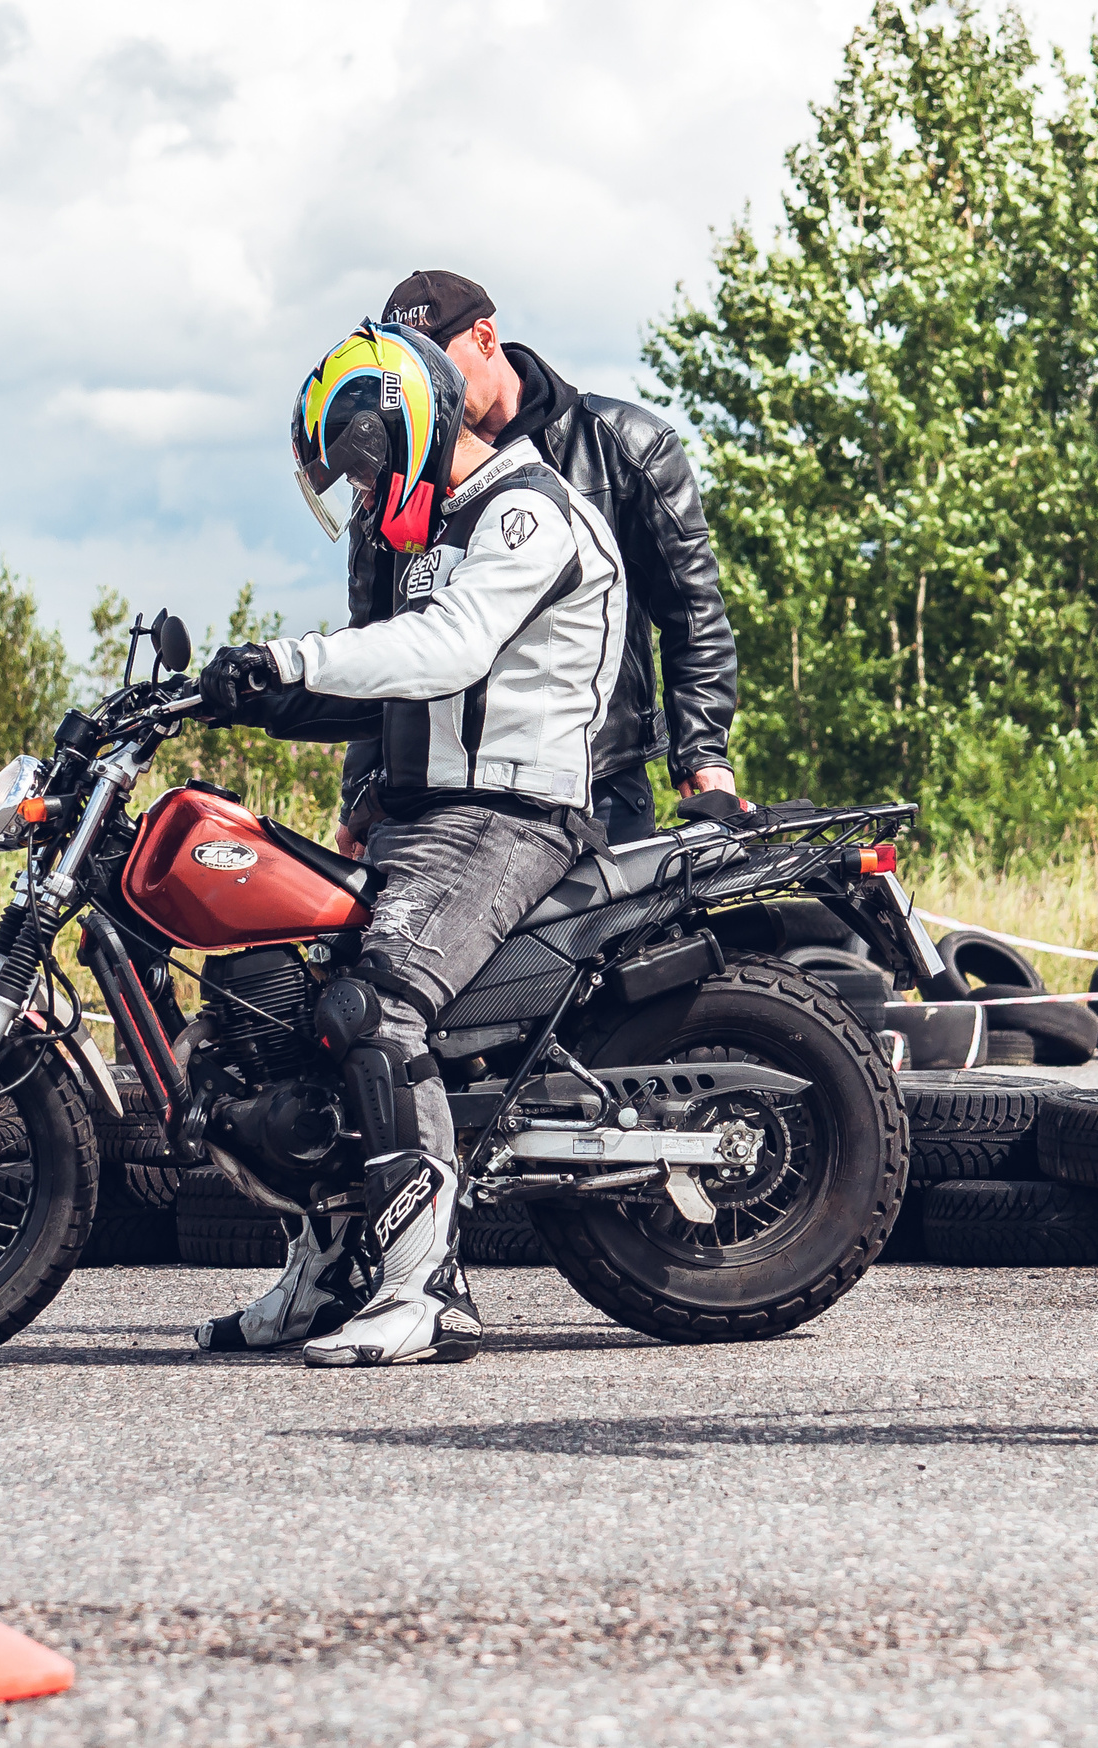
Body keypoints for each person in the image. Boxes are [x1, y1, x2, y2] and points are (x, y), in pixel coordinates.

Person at [190, 318, 626, 1368]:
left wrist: (290, 654)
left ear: (412, 425)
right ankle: (331, 1270)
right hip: (425, 814)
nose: (357, 483)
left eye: (361, 457)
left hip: (509, 813)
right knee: (264, 997)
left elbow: (451, 647)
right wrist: (229, 694)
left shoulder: (525, 512)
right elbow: (391, 691)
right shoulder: (441, 531)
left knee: (375, 1008)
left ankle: (424, 1288)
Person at [324, 269, 735, 849]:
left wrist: (704, 752)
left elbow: (692, 612)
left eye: (437, 363)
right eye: (409, 370)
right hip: (437, 799)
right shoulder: (394, 483)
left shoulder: (623, 444)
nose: (425, 384)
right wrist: (361, 792)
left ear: (485, 338)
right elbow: (380, 641)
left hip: (597, 785)